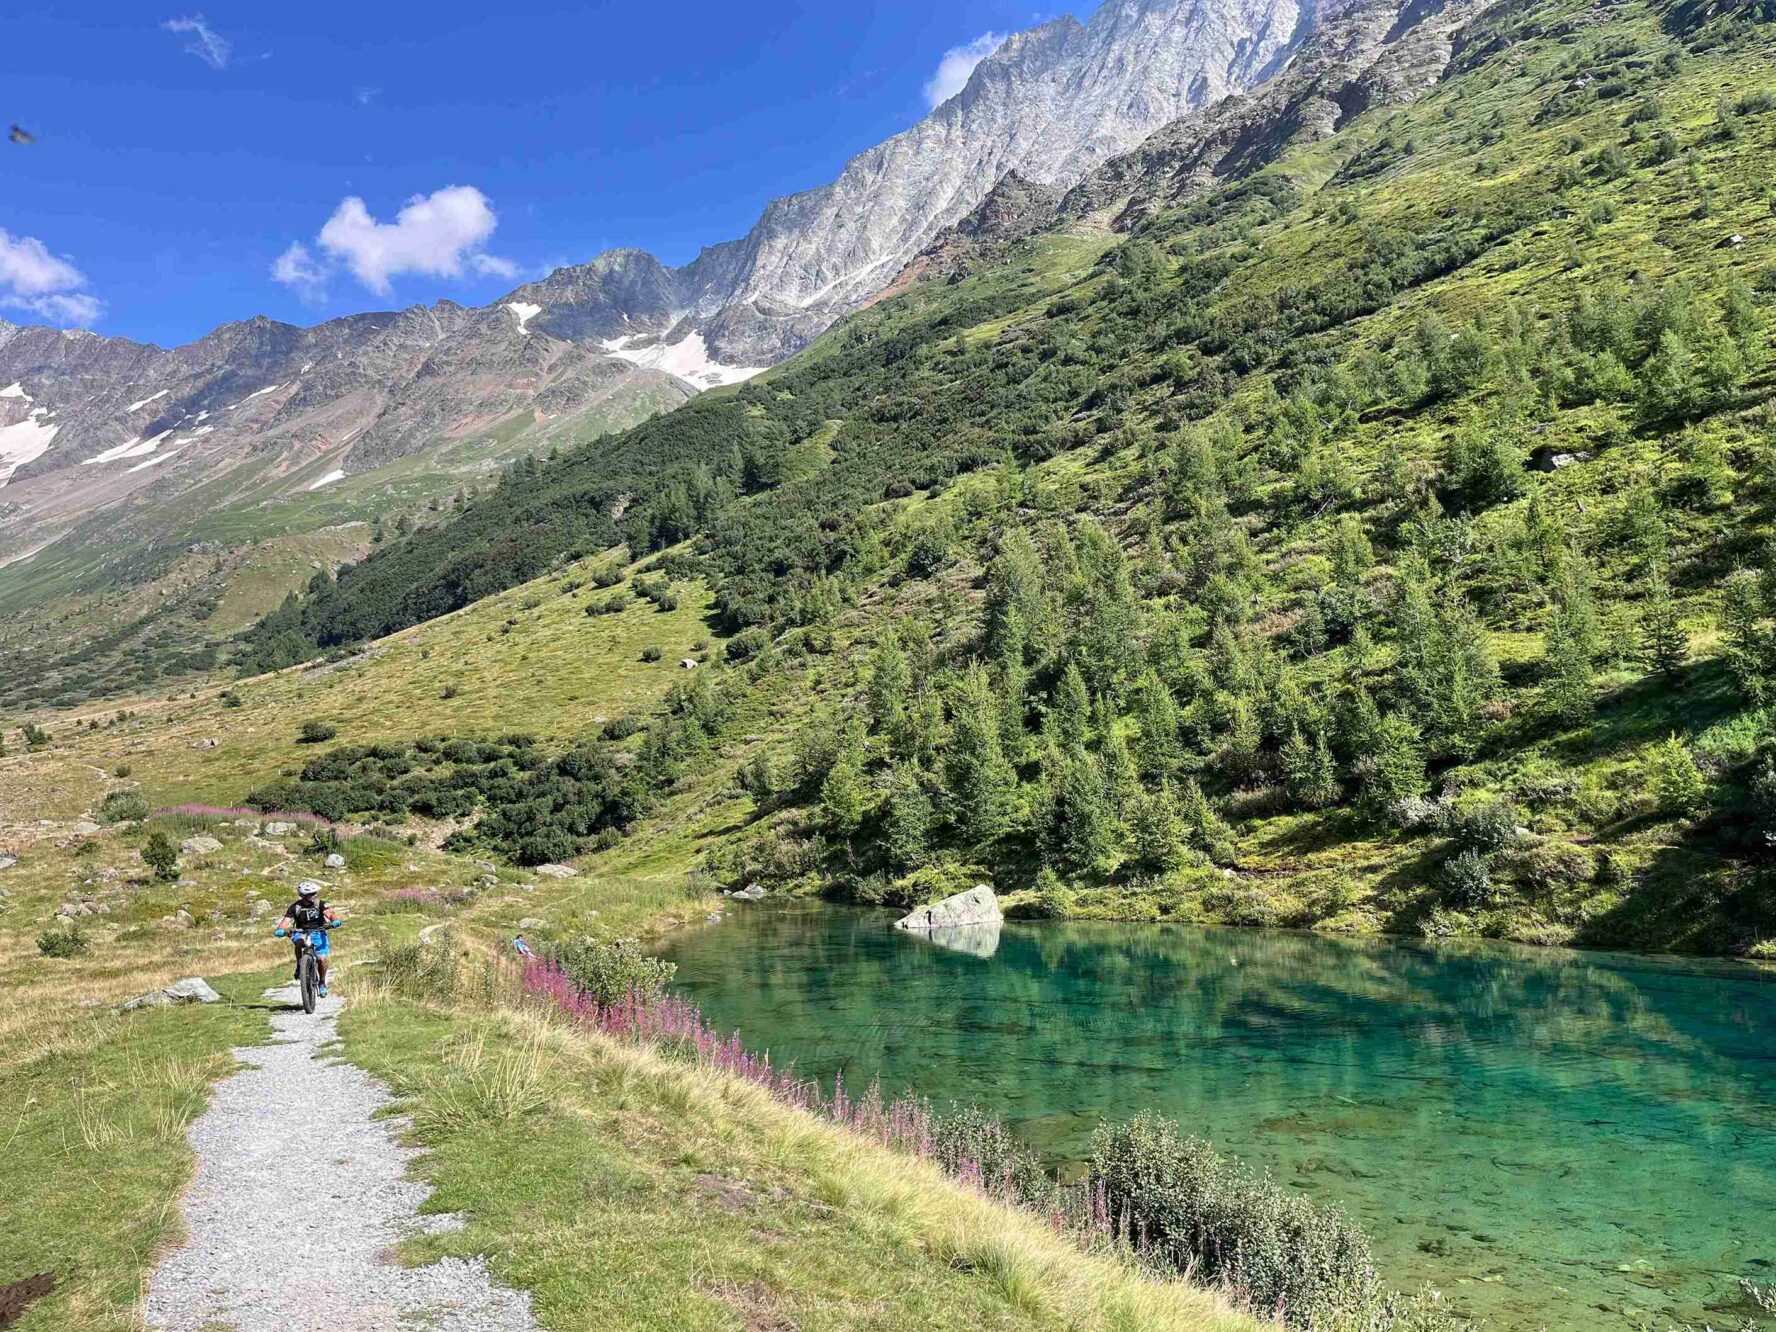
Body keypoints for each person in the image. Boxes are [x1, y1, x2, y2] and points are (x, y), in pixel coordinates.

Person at [274, 880, 341, 997]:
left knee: (322, 959)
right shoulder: (295, 907)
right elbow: (285, 921)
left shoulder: (319, 904)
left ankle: (322, 983)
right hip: (301, 932)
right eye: (311, 894)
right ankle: (300, 965)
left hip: (318, 932)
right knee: (299, 942)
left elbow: (330, 913)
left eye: (315, 893)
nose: (315, 895)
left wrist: (335, 921)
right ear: (303, 896)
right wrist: (280, 930)